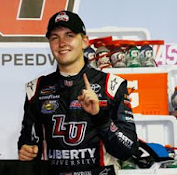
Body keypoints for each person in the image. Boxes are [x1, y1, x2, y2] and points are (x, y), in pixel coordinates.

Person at [17, 11, 138, 174]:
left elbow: (128, 148)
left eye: (69, 35)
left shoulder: (112, 85)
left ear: (85, 41)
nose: (61, 43)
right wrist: (25, 149)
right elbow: (28, 141)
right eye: (54, 37)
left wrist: (99, 116)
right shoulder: (35, 88)